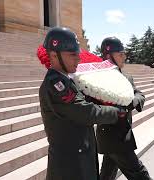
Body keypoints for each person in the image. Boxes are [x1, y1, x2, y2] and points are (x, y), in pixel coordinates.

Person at [38, 27, 126, 180]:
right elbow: (85, 112)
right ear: (53, 55)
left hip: (79, 160)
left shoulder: (67, 80)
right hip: (69, 167)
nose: (78, 58)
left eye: (77, 53)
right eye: (72, 54)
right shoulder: (55, 83)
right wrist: (115, 112)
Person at [94, 37, 152, 180]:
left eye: (124, 53)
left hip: (121, 134)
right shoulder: (99, 79)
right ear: (108, 56)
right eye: (120, 54)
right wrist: (128, 100)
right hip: (114, 137)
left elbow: (139, 94)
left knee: (107, 174)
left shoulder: (126, 77)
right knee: (139, 174)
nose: (124, 57)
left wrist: (133, 99)